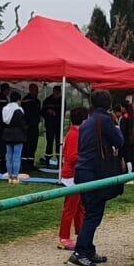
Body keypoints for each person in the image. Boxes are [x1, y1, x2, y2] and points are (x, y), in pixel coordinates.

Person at [70, 89, 123, 266]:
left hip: (82, 171)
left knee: (90, 211)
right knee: (93, 214)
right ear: (108, 104)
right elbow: (119, 141)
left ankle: (88, 248)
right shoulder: (105, 121)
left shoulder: (86, 123)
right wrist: (117, 126)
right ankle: (80, 252)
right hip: (95, 171)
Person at [57, 106, 88, 250]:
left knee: (79, 207)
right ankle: (63, 237)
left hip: (78, 174)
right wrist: (87, 157)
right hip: (72, 176)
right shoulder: (74, 134)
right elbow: (72, 157)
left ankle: (81, 234)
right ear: (84, 120)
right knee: (70, 207)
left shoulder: (76, 132)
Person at [0, 90, 27, 183]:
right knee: (16, 156)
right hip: (18, 134)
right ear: (18, 100)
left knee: (9, 156)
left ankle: (9, 176)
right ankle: (15, 176)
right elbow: (22, 124)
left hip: (7, 133)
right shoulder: (19, 110)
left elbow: (4, 121)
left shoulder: (5, 109)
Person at [20, 83, 41, 172]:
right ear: (30, 90)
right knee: (26, 146)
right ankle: (24, 165)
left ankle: (31, 164)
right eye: (35, 90)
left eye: (37, 90)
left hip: (35, 126)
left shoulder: (37, 101)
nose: (36, 92)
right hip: (27, 127)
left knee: (33, 145)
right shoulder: (25, 101)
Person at [41, 85, 62, 165]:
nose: (58, 93)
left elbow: (63, 111)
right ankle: (47, 159)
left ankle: (59, 159)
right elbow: (42, 112)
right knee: (49, 141)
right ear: (53, 91)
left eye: (59, 92)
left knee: (58, 142)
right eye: (56, 92)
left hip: (58, 124)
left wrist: (56, 113)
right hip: (49, 124)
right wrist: (48, 112)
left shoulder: (62, 100)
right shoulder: (47, 100)